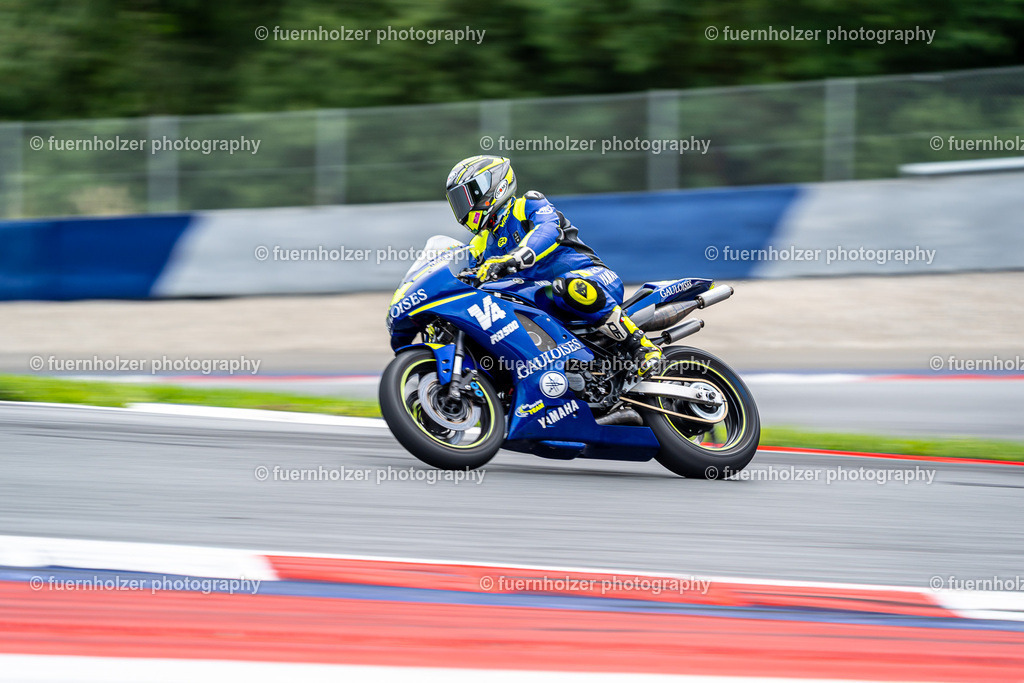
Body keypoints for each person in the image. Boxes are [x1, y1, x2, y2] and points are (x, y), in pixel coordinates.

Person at [444, 155, 662, 379]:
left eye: (466, 197)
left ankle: (641, 346)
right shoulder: (479, 244)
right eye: (457, 201)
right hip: (541, 298)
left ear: (494, 187)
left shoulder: (527, 204)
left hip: (591, 278)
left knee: (566, 285)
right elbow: (475, 283)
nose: (463, 207)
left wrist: (514, 257)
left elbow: (547, 230)